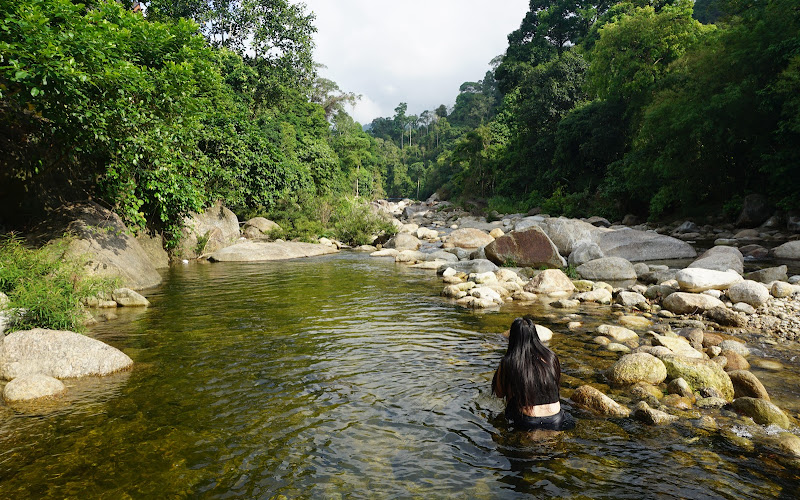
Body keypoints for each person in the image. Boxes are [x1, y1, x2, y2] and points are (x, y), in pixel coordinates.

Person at [492, 317, 575, 431]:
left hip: (528, 421)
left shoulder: (509, 361)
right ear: (535, 335)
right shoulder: (551, 357)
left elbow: (499, 394)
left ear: (513, 339)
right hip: (557, 418)